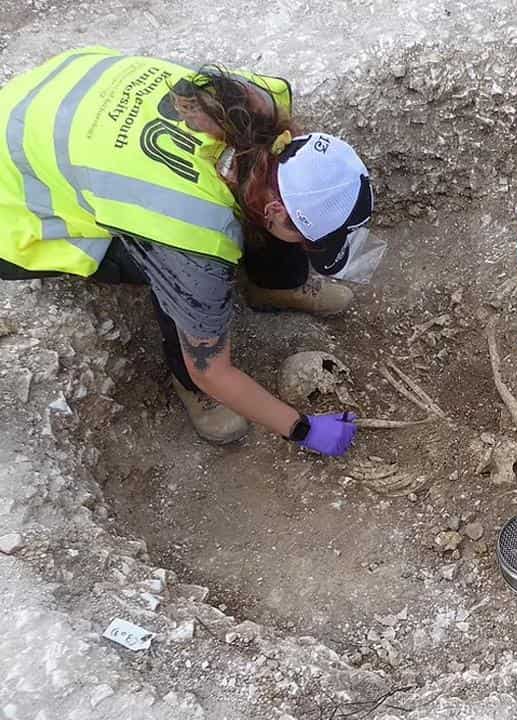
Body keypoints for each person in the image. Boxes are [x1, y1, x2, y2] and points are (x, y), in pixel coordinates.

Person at [1, 47, 375, 455]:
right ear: (275, 210)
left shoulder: (262, 108)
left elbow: (267, 195)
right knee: (170, 265)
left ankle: (273, 285)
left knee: (239, 212)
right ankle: (187, 382)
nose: (309, 247)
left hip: (67, 88)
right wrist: (303, 429)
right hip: (17, 201)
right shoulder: (188, 225)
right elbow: (215, 370)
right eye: (308, 239)